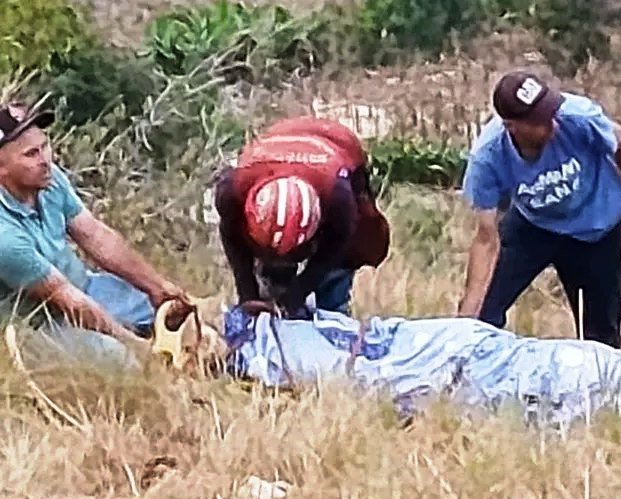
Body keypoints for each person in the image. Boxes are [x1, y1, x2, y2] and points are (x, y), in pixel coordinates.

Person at [458, 69, 621, 348]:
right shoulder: (487, 157)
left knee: (600, 335)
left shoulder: (576, 116)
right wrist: (468, 318)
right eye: (539, 120)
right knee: (485, 313)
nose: (552, 124)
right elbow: (486, 238)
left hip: (597, 226)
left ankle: (600, 387)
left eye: (550, 112)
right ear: (512, 125)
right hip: (534, 226)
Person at [0, 99, 187, 355]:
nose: (45, 159)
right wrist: (138, 347)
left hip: (82, 286)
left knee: (173, 312)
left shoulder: (49, 179)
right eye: (31, 154)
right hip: (39, 321)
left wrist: (157, 287)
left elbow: (96, 236)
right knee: (121, 358)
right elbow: (64, 297)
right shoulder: (4, 236)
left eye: (44, 146)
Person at [215, 116, 389, 317]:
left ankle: (334, 316)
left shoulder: (338, 196)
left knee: (342, 265)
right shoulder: (232, 190)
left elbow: (339, 242)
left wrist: (300, 291)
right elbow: (232, 238)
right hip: (281, 135)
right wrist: (248, 295)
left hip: (337, 143)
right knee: (271, 285)